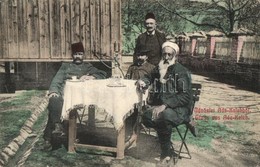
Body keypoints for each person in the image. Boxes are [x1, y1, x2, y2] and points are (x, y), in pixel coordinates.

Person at [136, 41, 192, 163]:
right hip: (161, 107)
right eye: (164, 54)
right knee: (145, 116)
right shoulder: (159, 68)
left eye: (169, 55)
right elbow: (148, 77)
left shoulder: (181, 71)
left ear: (175, 56)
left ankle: (166, 154)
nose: (166, 58)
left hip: (180, 109)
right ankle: (164, 143)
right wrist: (143, 81)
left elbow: (185, 96)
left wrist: (165, 105)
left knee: (163, 117)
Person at [43, 42, 107, 150]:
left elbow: (102, 73)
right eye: (76, 54)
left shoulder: (87, 66)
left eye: (80, 54)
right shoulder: (65, 66)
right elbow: (56, 80)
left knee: (55, 110)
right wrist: (53, 91)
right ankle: (57, 126)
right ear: (72, 55)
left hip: (77, 97)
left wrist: (91, 77)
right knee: (54, 101)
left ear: (83, 55)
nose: (78, 56)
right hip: (64, 94)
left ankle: (48, 137)